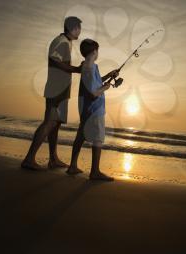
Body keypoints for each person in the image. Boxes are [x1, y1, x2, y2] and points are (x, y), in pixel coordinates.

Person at [21, 16, 82, 170]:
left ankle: (53, 159)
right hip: (57, 88)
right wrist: (76, 69)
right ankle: (29, 159)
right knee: (50, 122)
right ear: (72, 28)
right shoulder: (61, 42)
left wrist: (74, 69)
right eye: (78, 28)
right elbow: (54, 60)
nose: (80, 31)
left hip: (61, 88)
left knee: (55, 124)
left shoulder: (66, 43)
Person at [67, 38, 119, 181]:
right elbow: (93, 93)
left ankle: (72, 166)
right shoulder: (89, 68)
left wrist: (109, 75)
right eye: (97, 50)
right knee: (98, 138)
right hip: (93, 108)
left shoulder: (89, 66)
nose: (98, 53)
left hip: (86, 108)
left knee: (81, 135)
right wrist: (106, 87)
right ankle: (94, 172)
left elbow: (95, 82)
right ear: (94, 51)